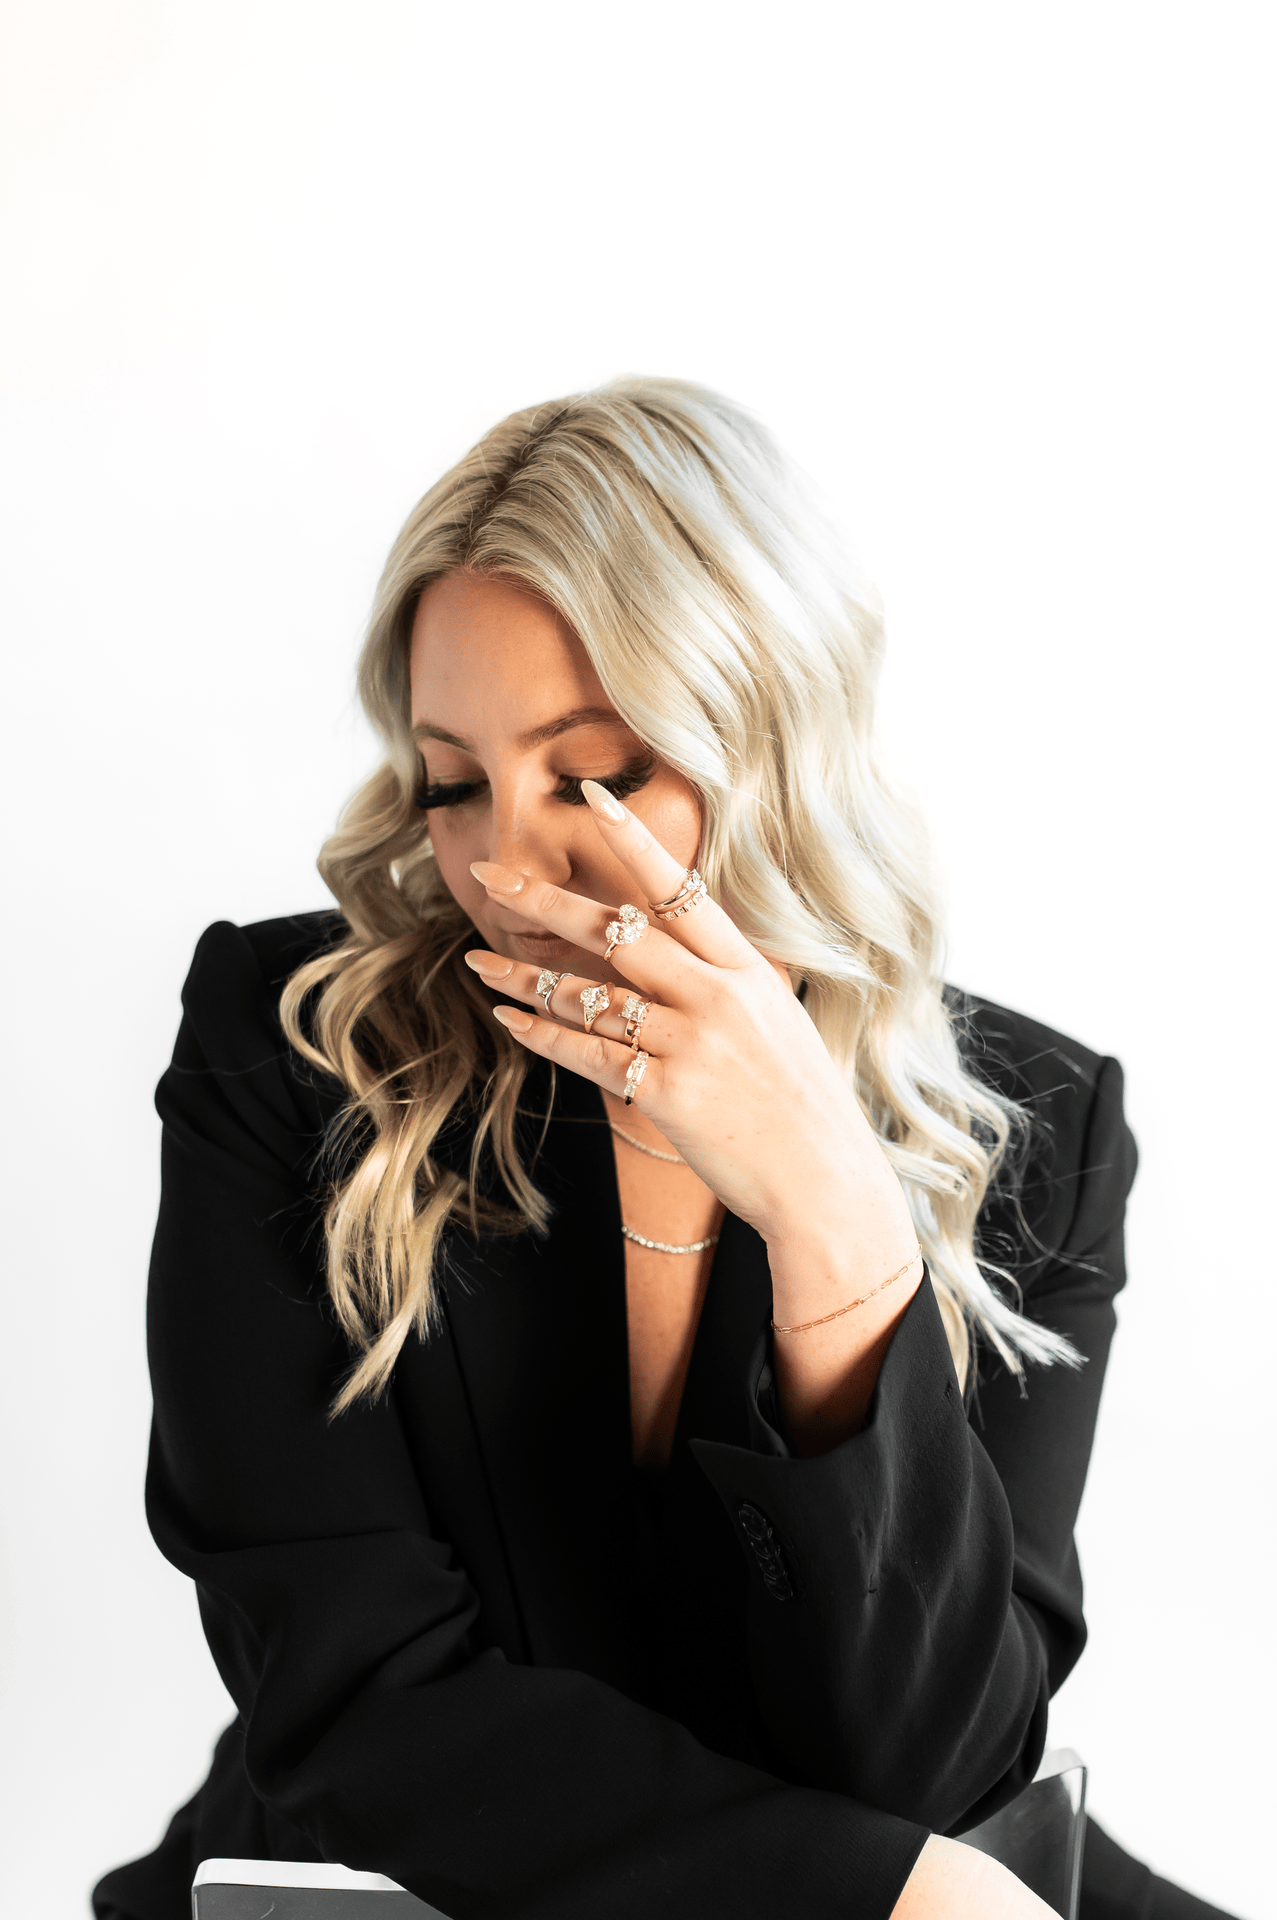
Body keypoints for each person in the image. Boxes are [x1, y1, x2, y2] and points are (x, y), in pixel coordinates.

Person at [93, 379, 1238, 1920]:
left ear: (768, 734)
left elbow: (948, 1766)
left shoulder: (1035, 1126)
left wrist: (839, 1225)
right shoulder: (297, 1054)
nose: (503, 864)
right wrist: (868, 1895)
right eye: (451, 783)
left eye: (592, 775)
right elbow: (351, 1694)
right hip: (410, 1889)